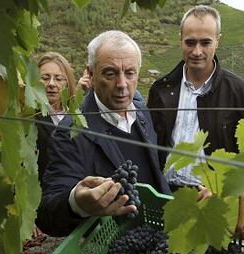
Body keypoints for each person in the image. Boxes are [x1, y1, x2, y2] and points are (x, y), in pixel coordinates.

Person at [36, 30, 170, 237]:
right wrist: (76, 202)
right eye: (110, 73)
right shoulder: (70, 132)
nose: (122, 84)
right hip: (119, 245)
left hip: (161, 231)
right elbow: (47, 214)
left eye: (130, 73)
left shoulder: (141, 110)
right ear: (90, 74)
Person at [147, 5, 244, 192]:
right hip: (166, 193)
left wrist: (225, 190)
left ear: (218, 40)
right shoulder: (160, 89)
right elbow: (151, 144)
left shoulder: (242, 94)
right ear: (180, 40)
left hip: (215, 197)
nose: (197, 51)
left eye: (205, 43)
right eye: (190, 42)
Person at [36, 52, 76, 179]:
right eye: (45, 78)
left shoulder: (77, 115)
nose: (52, 84)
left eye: (59, 79)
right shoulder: (27, 117)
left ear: (68, 82)